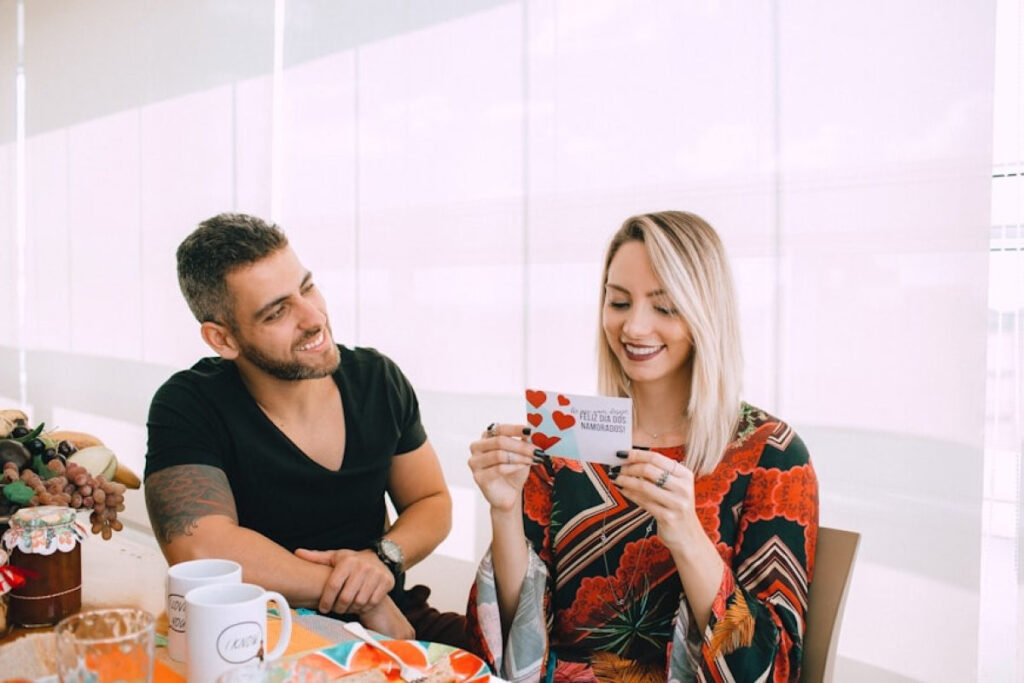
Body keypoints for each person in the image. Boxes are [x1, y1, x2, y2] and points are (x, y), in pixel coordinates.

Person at [466, 211, 818, 681]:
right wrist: (504, 511)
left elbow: (773, 667)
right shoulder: (565, 442)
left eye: (664, 307)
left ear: (705, 314)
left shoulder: (769, 453)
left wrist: (686, 534)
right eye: (618, 302)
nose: (633, 327)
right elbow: (509, 641)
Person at [144, 212, 466, 646]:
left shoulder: (377, 378)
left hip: (392, 617)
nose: (314, 318)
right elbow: (201, 548)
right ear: (223, 339)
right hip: (261, 637)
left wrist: (381, 562)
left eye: (307, 287)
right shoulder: (188, 404)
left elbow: (431, 501)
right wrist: (362, 597)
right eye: (277, 312)